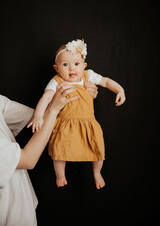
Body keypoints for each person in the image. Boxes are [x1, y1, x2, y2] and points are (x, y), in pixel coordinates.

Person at [28, 39, 126, 190]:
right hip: (65, 123)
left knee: (98, 148)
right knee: (59, 151)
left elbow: (105, 82)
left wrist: (120, 90)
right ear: (56, 68)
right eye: (65, 65)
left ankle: (97, 172)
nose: (71, 69)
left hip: (88, 122)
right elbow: (46, 97)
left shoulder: (88, 76)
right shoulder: (57, 81)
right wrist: (38, 115)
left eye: (76, 64)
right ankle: (60, 174)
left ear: (84, 66)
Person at [0, 82, 98, 226]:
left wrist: (78, 94)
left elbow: (37, 118)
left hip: (24, 209)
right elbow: (27, 160)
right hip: (9, 218)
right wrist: (53, 109)